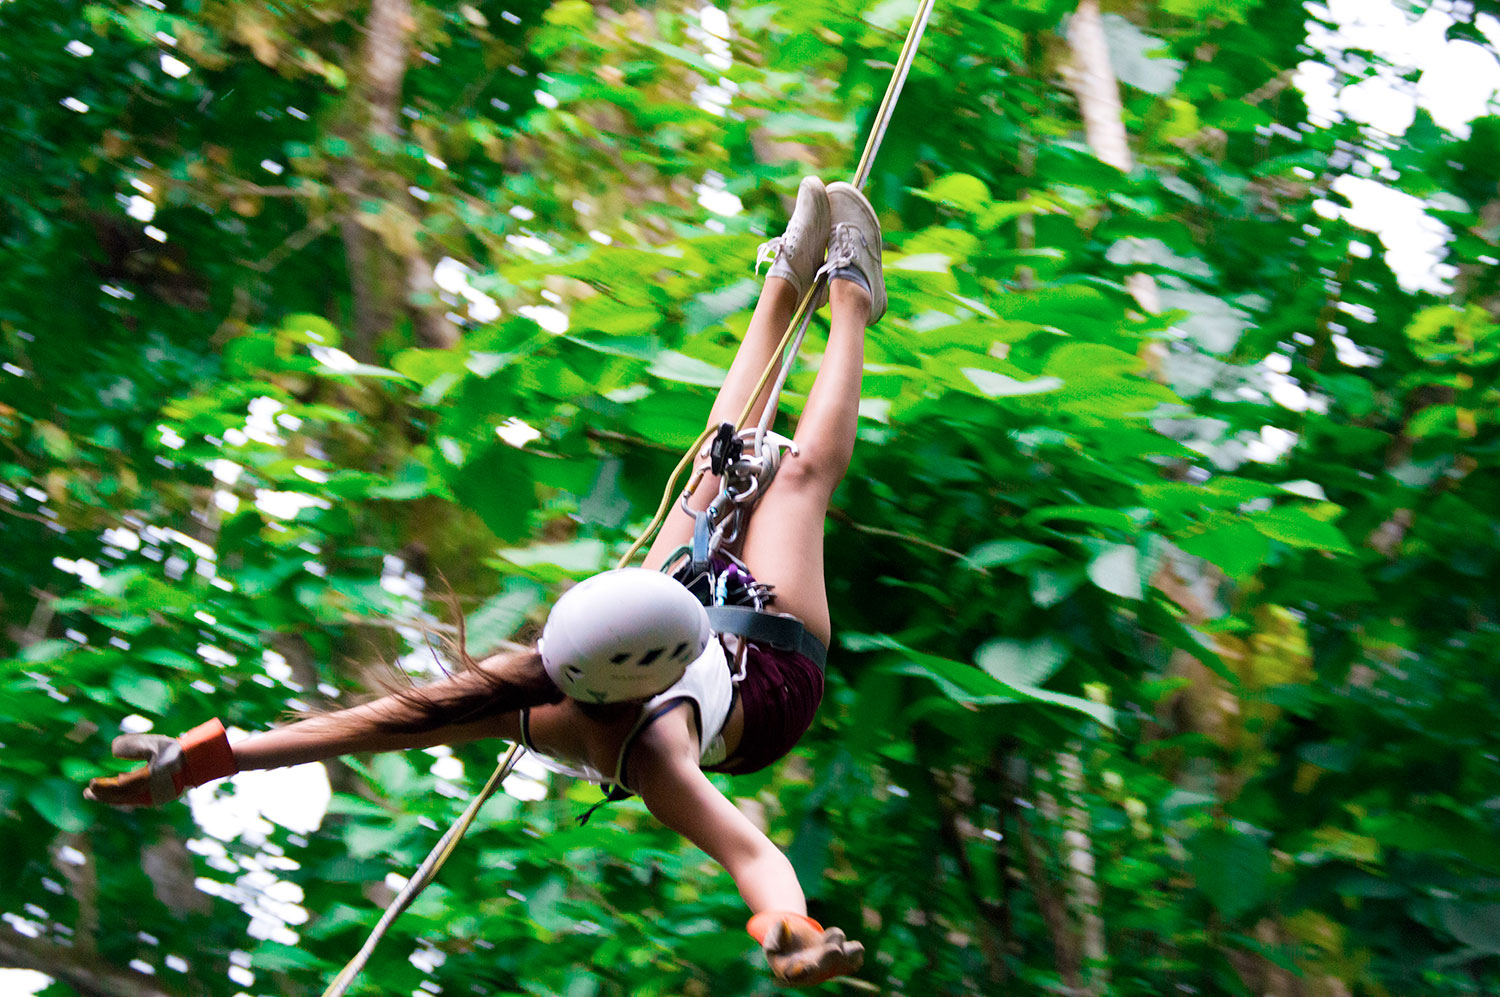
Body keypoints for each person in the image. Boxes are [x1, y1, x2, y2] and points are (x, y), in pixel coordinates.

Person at [84, 176, 886, 988]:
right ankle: (854, 299)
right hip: (767, 686)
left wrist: (206, 759)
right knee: (797, 479)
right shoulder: (656, 760)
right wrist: (790, 931)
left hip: (668, 620)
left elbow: (378, 723)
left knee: (713, 472)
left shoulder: (541, 670)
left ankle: (784, 281)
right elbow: (754, 852)